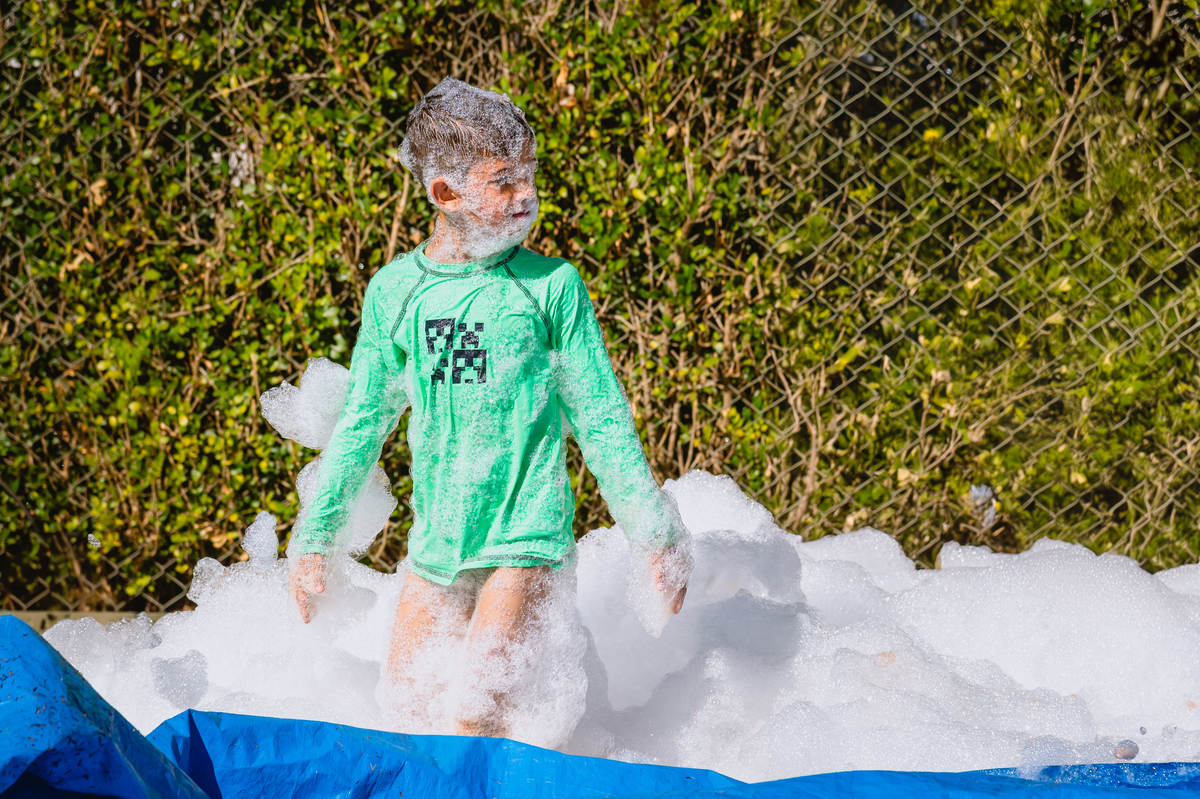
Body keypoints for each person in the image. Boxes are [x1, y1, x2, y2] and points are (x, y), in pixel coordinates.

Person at [286, 77, 693, 739]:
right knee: (408, 714)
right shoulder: (398, 292)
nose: (526, 194)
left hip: (523, 539)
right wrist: (315, 538)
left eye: (530, 174)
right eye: (504, 180)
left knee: (475, 712)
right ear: (445, 193)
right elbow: (362, 421)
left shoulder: (550, 287)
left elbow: (600, 411)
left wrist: (656, 532)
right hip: (437, 547)